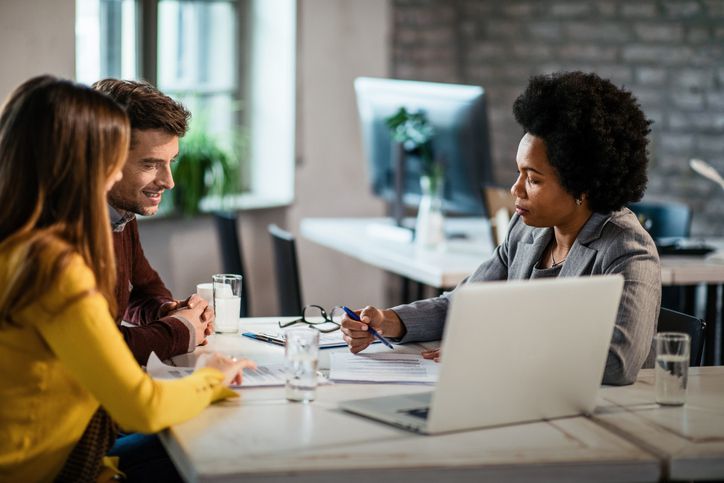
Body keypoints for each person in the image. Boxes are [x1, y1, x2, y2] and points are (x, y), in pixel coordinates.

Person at [0, 75, 255, 482]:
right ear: (84, 161)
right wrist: (213, 374)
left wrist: (174, 322)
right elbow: (141, 407)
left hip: (56, 450)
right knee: (221, 445)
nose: (167, 180)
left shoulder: (20, 241)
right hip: (47, 468)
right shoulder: (53, 265)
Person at [341, 71, 661, 386]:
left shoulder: (627, 249)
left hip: (602, 420)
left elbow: (618, 362)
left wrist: (496, 348)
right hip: (522, 399)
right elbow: (465, 304)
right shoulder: (527, 230)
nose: (515, 189)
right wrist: (388, 321)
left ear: (582, 187)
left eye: (533, 179)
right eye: (519, 173)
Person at [90, 79, 213, 365]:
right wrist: (180, 331)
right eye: (150, 164)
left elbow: (143, 292)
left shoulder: (121, 212)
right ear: (103, 158)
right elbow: (101, 351)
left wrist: (170, 311)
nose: (168, 182)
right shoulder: (62, 232)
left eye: (171, 162)